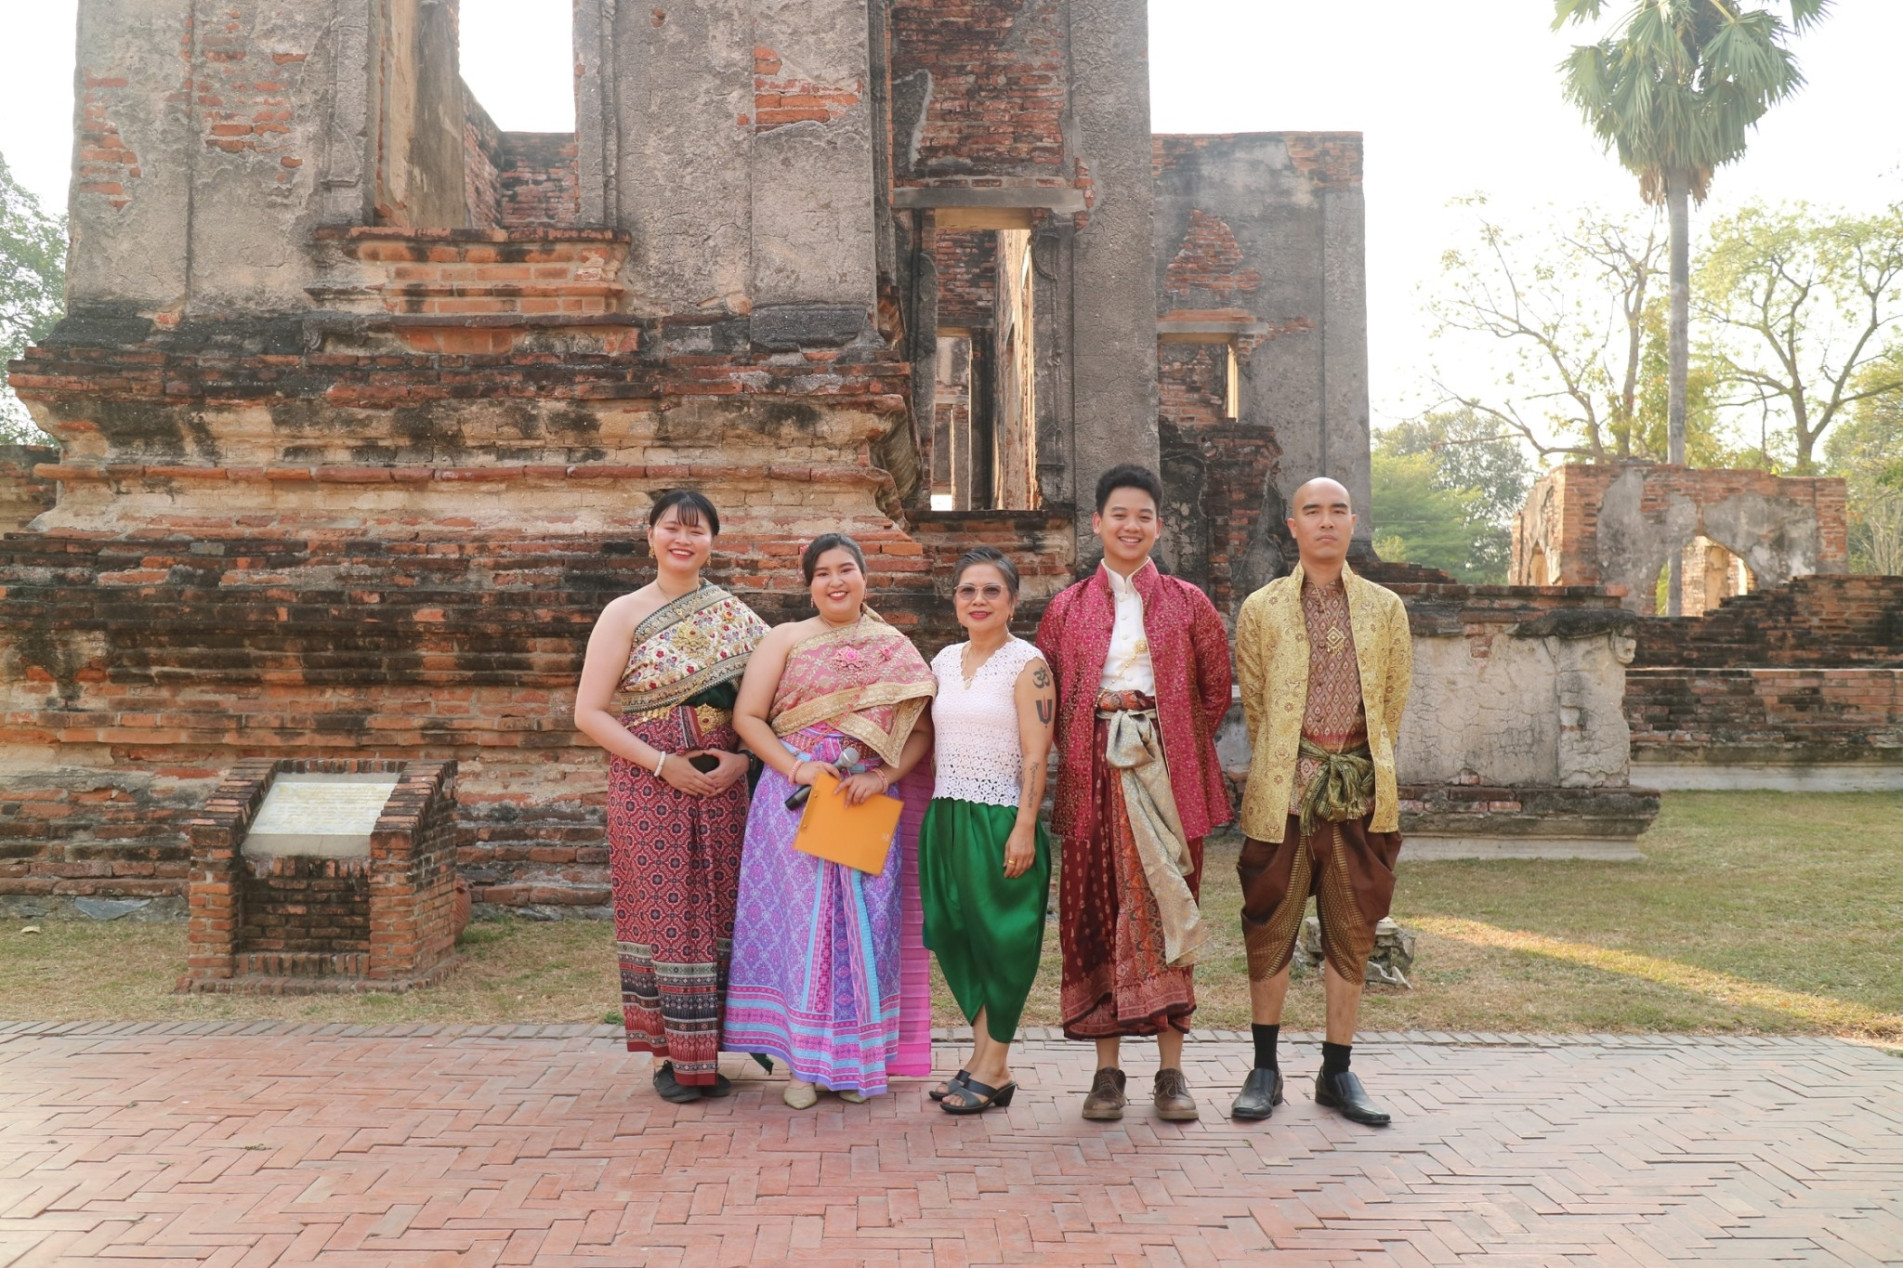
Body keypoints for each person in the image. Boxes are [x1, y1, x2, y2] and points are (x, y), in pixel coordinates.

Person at [1036, 464, 1234, 1123]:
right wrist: (1097, 743)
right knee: (1095, 912)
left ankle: (1172, 1074)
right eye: (1118, 513)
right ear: (1097, 523)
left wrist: (1163, 740)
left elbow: (1212, 693)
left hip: (1168, 774)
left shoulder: (1188, 603)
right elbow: (1050, 696)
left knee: (1168, 907)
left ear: (1157, 525)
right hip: (1092, 775)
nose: (1130, 525)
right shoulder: (1066, 609)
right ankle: (1107, 1074)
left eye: (1143, 515)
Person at [722, 534, 938, 1108]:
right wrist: (798, 769)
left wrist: (882, 778)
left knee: (865, 926)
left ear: (866, 578)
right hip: (794, 801)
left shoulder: (893, 646)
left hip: (861, 802)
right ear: (809, 584)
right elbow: (748, 718)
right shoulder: (785, 639)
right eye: (822, 573)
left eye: (847, 570)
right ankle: (801, 1067)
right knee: (804, 930)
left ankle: (854, 1067)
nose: (836, 582)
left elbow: (919, 733)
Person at [572, 490, 769, 1103]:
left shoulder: (737, 616)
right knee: (666, 914)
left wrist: (744, 760)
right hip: (647, 786)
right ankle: (671, 1056)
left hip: (723, 787)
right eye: (671, 528)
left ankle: (714, 1048)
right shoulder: (624, 613)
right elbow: (589, 713)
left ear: (713, 540)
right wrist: (662, 764)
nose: (683, 539)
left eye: (697, 529)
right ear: (650, 536)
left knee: (719, 910)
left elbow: (773, 707)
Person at [1230, 476, 1412, 1127]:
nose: (1326, 521)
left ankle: (1336, 1070)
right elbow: (1255, 707)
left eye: (1337, 510)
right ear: (1293, 525)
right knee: (1268, 931)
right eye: (1313, 511)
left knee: (1351, 934)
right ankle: (1264, 1067)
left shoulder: (1384, 608)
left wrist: (1351, 766)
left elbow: (1390, 702)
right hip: (1282, 800)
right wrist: (1292, 763)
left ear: (1352, 521)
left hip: (1357, 798)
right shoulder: (1261, 609)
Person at [919, 547, 1055, 1115]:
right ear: (954, 601)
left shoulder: (1030, 664)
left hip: (1000, 817)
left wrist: (1024, 826)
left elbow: (1036, 755)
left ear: (1012, 602)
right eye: (967, 591)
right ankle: (983, 1060)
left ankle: (995, 1063)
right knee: (954, 934)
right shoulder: (944, 662)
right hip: (946, 814)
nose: (978, 600)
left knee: (1003, 941)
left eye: (991, 591)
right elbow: (924, 737)